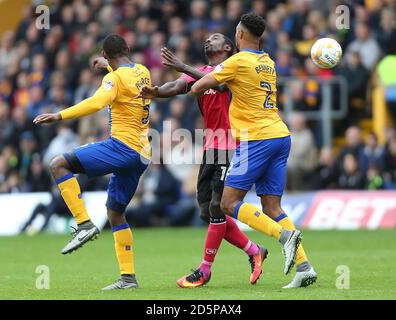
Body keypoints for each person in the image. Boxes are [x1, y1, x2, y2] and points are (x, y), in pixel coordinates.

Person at [191, 13, 317, 288]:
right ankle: (304, 267)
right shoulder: (267, 61)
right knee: (272, 206)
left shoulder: (236, 62)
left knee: (226, 203)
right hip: (280, 136)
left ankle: (283, 237)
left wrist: (202, 74)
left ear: (239, 35)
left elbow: (197, 88)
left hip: (256, 139)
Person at [139, 33, 268, 288]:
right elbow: (176, 86)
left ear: (228, 47)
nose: (208, 41)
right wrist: (156, 91)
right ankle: (254, 250)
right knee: (206, 210)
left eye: (216, 38)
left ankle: (204, 270)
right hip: (211, 146)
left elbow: (219, 85)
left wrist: (182, 65)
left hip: (232, 144)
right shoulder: (201, 71)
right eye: (207, 39)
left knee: (217, 207)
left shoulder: (234, 68)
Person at [33, 34, 151, 290]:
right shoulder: (142, 71)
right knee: (115, 213)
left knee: (58, 164)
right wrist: (107, 63)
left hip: (122, 147)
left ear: (106, 55)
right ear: (128, 49)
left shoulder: (113, 79)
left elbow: (97, 102)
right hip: (142, 154)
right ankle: (128, 278)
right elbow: (123, 72)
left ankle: (84, 224)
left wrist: (59, 115)